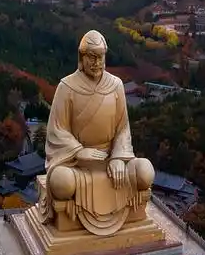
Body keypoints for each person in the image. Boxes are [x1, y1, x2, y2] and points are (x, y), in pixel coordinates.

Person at [42, 30, 157, 236]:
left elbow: (123, 128)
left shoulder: (116, 85)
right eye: (91, 57)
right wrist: (79, 151)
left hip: (111, 161)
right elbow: (57, 130)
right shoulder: (67, 87)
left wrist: (118, 157)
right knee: (61, 183)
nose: (96, 63)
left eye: (100, 57)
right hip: (77, 165)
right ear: (81, 57)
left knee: (145, 172)